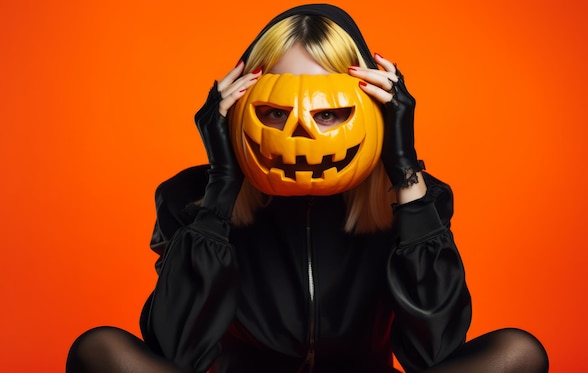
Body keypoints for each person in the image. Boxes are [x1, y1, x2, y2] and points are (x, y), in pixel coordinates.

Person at [66, 4, 549, 373]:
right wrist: (221, 187)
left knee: (518, 352)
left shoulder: (417, 199)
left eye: (331, 113)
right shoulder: (188, 199)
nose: (302, 136)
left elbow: (436, 354)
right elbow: (176, 352)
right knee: (99, 348)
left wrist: (403, 169)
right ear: (238, 108)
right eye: (274, 113)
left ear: (373, 111)